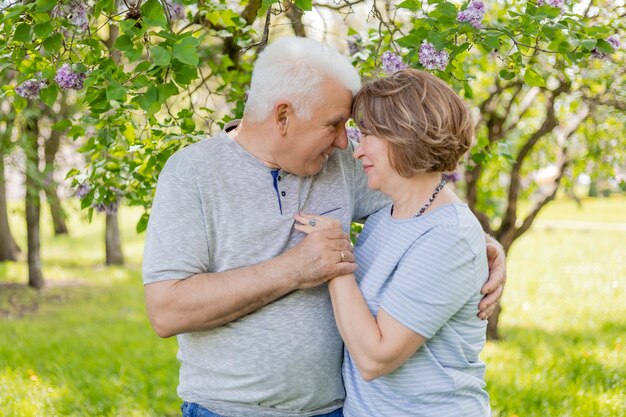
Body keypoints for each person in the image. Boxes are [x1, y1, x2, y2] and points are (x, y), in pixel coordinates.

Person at [142, 37, 505, 417]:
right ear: (282, 116)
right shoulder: (193, 174)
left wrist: (487, 248)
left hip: (335, 409)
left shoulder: (341, 163)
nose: (342, 141)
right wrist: (295, 270)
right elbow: (167, 311)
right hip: (228, 410)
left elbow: (425, 201)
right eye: (333, 124)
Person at [294, 69, 492, 416]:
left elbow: (375, 358)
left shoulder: (449, 236)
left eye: (368, 135)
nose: (357, 151)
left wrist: (335, 260)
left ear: (406, 135)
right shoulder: (388, 214)